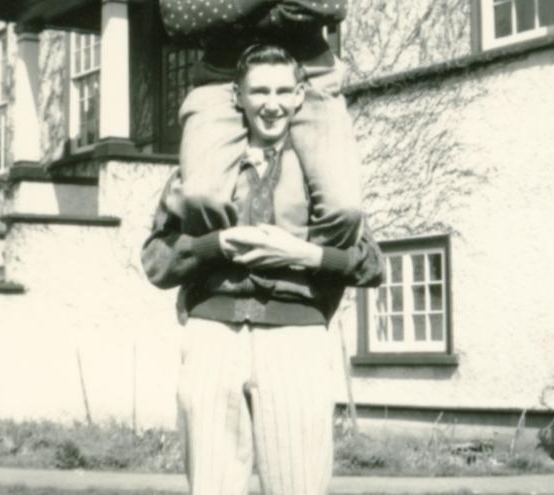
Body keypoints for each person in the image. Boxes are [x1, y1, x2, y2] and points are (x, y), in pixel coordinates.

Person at [141, 45, 382, 495]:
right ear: (238, 97)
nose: (271, 103)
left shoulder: (321, 171)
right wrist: (216, 244)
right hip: (212, 336)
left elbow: (370, 264)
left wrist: (305, 255)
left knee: (297, 485)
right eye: (259, 91)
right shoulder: (204, 170)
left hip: (296, 339)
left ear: (299, 96)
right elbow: (156, 260)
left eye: (282, 91)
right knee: (212, 486)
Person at [159, 0, 363, 250]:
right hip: (222, 79)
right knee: (201, 195)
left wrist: (230, 13)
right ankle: (230, 275)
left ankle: (298, 279)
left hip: (310, 75)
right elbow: (180, 17)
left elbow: (329, 6)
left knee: (344, 208)